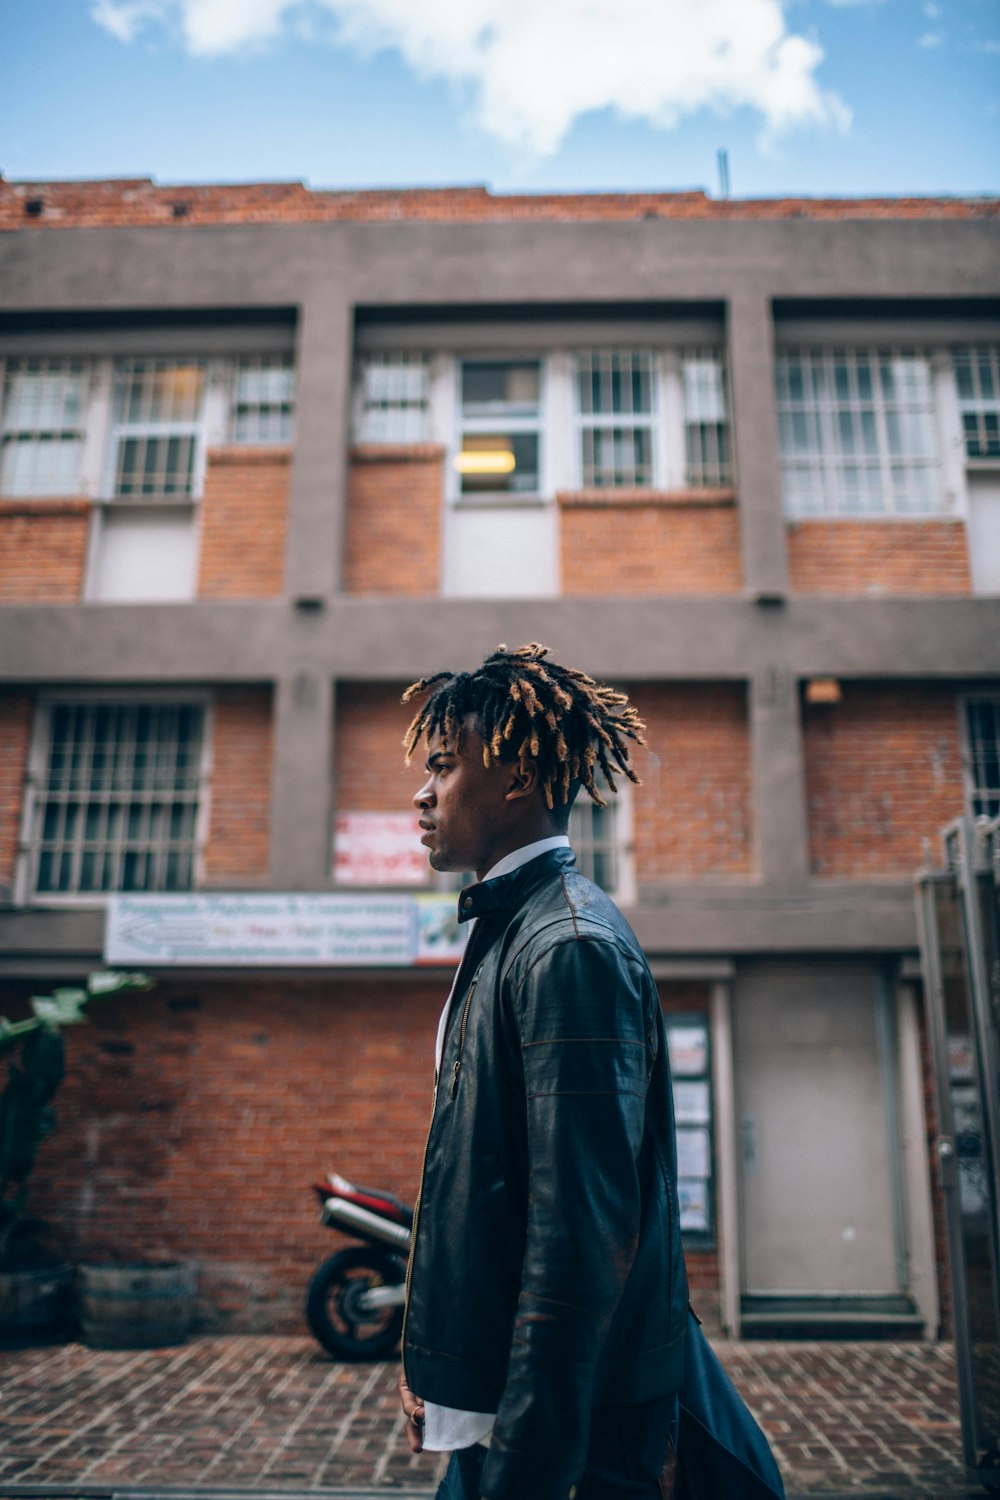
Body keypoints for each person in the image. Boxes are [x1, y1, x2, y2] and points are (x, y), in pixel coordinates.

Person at [397, 643, 688, 1500]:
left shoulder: (567, 948)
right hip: (516, 1412)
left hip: (567, 1436)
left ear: (518, 777)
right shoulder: (513, 929)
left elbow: (579, 1238)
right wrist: (438, 1363)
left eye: (444, 767)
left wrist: (525, 1471)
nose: (422, 791)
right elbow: (484, 1187)